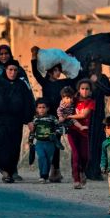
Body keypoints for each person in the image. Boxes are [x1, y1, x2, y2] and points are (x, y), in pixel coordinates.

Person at [0, 60, 35, 184]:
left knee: (13, 148)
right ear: (5, 70)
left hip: (15, 121)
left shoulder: (21, 85)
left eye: (15, 70)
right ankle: (5, 173)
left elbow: (27, 103)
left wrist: (29, 120)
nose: (13, 72)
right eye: (10, 70)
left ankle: (9, 171)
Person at [31, 46, 77, 183]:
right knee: (44, 141)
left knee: (55, 142)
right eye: (56, 70)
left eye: (59, 70)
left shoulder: (63, 83)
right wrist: (34, 57)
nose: (58, 73)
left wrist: (71, 59)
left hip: (58, 118)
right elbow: (35, 73)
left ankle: (55, 170)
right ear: (50, 71)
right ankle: (48, 169)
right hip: (45, 118)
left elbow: (74, 78)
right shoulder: (45, 83)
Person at [82, 60, 110, 181]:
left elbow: (108, 91)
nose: (92, 67)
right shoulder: (84, 78)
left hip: (99, 115)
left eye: (94, 65)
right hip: (86, 115)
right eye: (90, 65)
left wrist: (97, 81)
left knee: (99, 144)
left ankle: (96, 171)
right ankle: (85, 171)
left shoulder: (102, 78)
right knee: (87, 143)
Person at [67, 79, 95, 189]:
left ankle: (82, 171)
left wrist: (69, 116)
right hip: (72, 130)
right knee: (76, 155)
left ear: (90, 91)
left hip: (84, 131)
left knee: (85, 156)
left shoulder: (91, 102)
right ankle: (76, 179)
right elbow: (64, 106)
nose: (84, 91)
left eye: (87, 89)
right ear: (79, 90)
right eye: (82, 88)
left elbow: (83, 115)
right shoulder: (73, 101)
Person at [29, 99, 61, 184]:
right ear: (36, 109)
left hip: (50, 143)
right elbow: (32, 131)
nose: (42, 109)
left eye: (44, 107)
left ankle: (45, 176)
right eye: (39, 107)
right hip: (39, 143)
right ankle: (42, 175)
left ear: (47, 108)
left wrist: (55, 133)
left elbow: (59, 127)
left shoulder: (52, 118)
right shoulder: (35, 119)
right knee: (41, 157)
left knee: (48, 159)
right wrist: (30, 141)